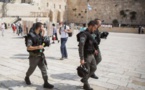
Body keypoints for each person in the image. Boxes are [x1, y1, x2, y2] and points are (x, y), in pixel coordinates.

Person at [25, 22, 54, 89]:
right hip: (34, 57)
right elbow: (28, 47)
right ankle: (27, 77)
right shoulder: (31, 36)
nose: (43, 28)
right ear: (39, 28)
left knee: (44, 69)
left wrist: (44, 34)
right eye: (42, 27)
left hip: (40, 56)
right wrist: (38, 47)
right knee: (31, 69)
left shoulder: (39, 35)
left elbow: (42, 42)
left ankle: (46, 82)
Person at [78, 21, 98, 90]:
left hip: (91, 54)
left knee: (94, 68)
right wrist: (81, 58)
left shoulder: (90, 34)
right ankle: (86, 85)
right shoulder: (84, 34)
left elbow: (91, 43)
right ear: (91, 26)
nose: (95, 29)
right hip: (86, 55)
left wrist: (94, 49)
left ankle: (84, 79)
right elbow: (81, 46)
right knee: (87, 71)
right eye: (95, 27)